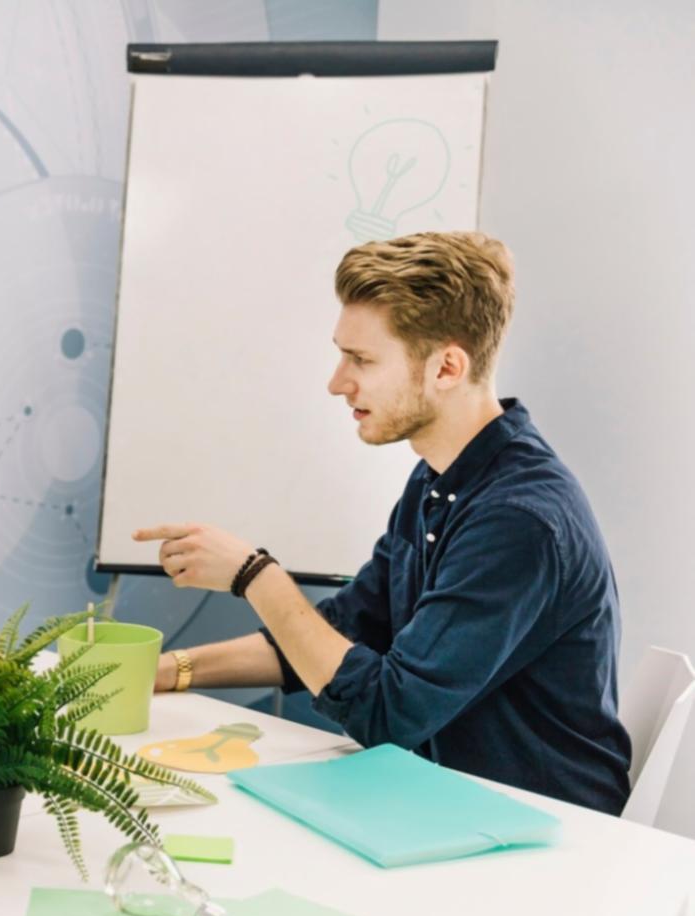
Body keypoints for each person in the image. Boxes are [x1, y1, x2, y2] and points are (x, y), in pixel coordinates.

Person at [134, 232, 632, 814]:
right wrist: (164, 672)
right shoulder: (438, 480)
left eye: (362, 360)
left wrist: (254, 575)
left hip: (548, 831)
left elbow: (388, 714)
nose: (336, 382)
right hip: (455, 804)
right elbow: (346, 631)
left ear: (447, 367)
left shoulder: (517, 521)